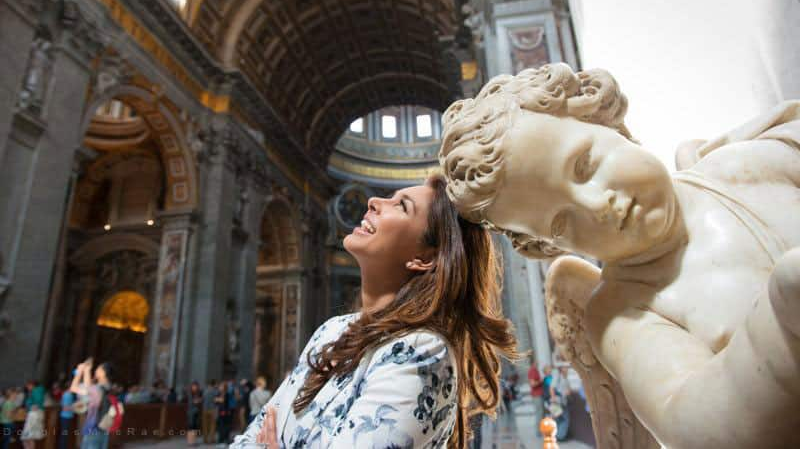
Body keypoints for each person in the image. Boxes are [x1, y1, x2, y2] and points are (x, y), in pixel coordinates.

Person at [439, 63, 800, 447]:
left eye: (585, 165)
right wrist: (782, 319)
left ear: (601, 119)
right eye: (562, 223)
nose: (596, 206)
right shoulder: (624, 313)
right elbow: (692, 425)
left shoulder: (745, 163)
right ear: (549, 247)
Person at [233, 176, 517, 448]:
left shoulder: (423, 351)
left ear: (425, 258)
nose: (373, 201)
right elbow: (250, 437)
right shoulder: (332, 330)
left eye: (401, 206)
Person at [70, 358, 113, 449]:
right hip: (104, 427)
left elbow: (74, 388)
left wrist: (80, 371)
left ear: (103, 373)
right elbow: (88, 388)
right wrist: (87, 371)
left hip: (93, 428)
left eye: (98, 369)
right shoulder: (109, 388)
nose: (96, 370)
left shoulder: (97, 389)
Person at [58, 384, 77, 449]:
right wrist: (75, 407)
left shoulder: (68, 394)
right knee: (64, 435)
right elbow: (65, 408)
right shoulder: (67, 395)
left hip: (67, 417)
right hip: (66, 417)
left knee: (65, 435)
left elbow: (62, 404)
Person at [527, 359, 544, 426]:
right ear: (534, 362)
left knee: (541, 413)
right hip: (537, 395)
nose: (538, 362)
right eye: (537, 361)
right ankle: (539, 431)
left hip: (539, 394)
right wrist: (541, 381)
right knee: (539, 413)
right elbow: (532, 384)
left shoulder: (535, 370)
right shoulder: (532, 370)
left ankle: (542, 430)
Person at [201, 380, 218, 444]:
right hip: (212, 409)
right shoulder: (215, 391)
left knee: (205, 425)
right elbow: (216, 399)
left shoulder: (205, 391)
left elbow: (203, 399)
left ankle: (205, 439)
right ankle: (211, 440)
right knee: (212, 425)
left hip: (204, 409)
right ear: (214, 384)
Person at [186, 382, 202, 446]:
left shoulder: (197, 393)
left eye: (196, 386)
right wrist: (198, 400)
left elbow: (198, 401)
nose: (195, 387)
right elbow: (193, 402)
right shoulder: (190, 394)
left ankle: (193, 441)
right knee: (191, 426)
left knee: (195, 427)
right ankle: (190, 441)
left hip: (196, 412)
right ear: (192, 387)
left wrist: (198, 400)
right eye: (194, 386)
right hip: (191, 412)